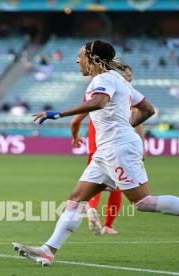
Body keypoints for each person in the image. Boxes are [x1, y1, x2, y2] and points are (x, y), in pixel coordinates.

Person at [13, 40, 179, 266]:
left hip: (118, 147)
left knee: (143, 203)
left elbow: (99, 102)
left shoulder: (104, 79)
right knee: (76, 199)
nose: (77, 60)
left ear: (92, 58)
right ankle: (48, 250)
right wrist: (126, 127)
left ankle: (48, 250)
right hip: (107, 149)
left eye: (80, 55)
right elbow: (147, 109)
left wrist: (57, 113)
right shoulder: (118, 80)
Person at [70, 64, 144, 235]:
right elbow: (138, 121)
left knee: (95, 183)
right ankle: (107, 224)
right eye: (127, 75)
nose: (129, 78)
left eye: (130, 75)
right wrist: (142, 147)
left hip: (97, 142)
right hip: (114, 143)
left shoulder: (98, 91)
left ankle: (92, 212)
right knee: (122, 190)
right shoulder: (125, 94)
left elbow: (75, 120)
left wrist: (74, 137)